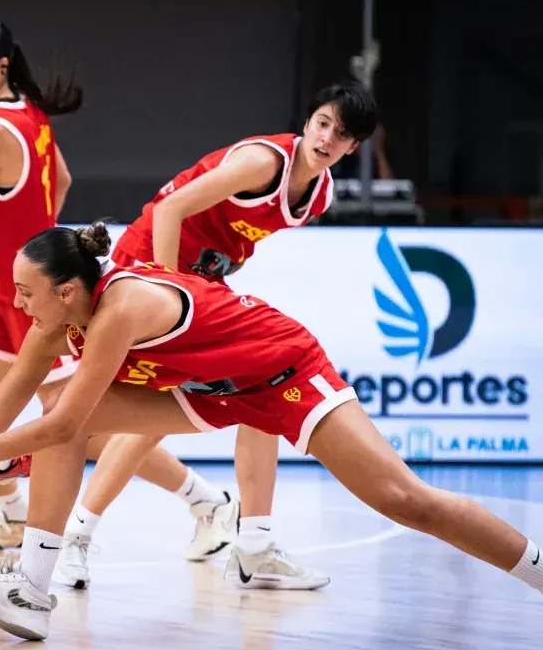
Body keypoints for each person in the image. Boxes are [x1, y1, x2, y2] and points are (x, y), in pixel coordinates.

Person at [0, 224, 543, 650]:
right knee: (51, 412)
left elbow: (68, 424)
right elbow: (2, 409)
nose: (15, 301)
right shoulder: (55, 322)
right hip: (203, 389)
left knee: (405, 500)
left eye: (25, 290)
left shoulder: (117, 310)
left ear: (70, 292)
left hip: (284, 370)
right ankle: (29, 592)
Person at [0, 15, 209, 555]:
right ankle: (12, 516)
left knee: (81, 429)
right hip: (0, 299)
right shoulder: (31, 114)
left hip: (38, 303)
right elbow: (63, 181)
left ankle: (204, 500)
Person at [45, 82, 380, 591]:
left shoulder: (320, 194)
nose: (328, 138)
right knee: (118, 413)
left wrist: (201, 284)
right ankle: (75, 538)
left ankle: (251, 541)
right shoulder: (262, 164)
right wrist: (166, 282)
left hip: (197, 285)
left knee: (263, 378)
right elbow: (170, 210)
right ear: (309, 121)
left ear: (352, 148)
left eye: (342, 135)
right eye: (324, 124)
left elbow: (227, 237)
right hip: (151, 271)